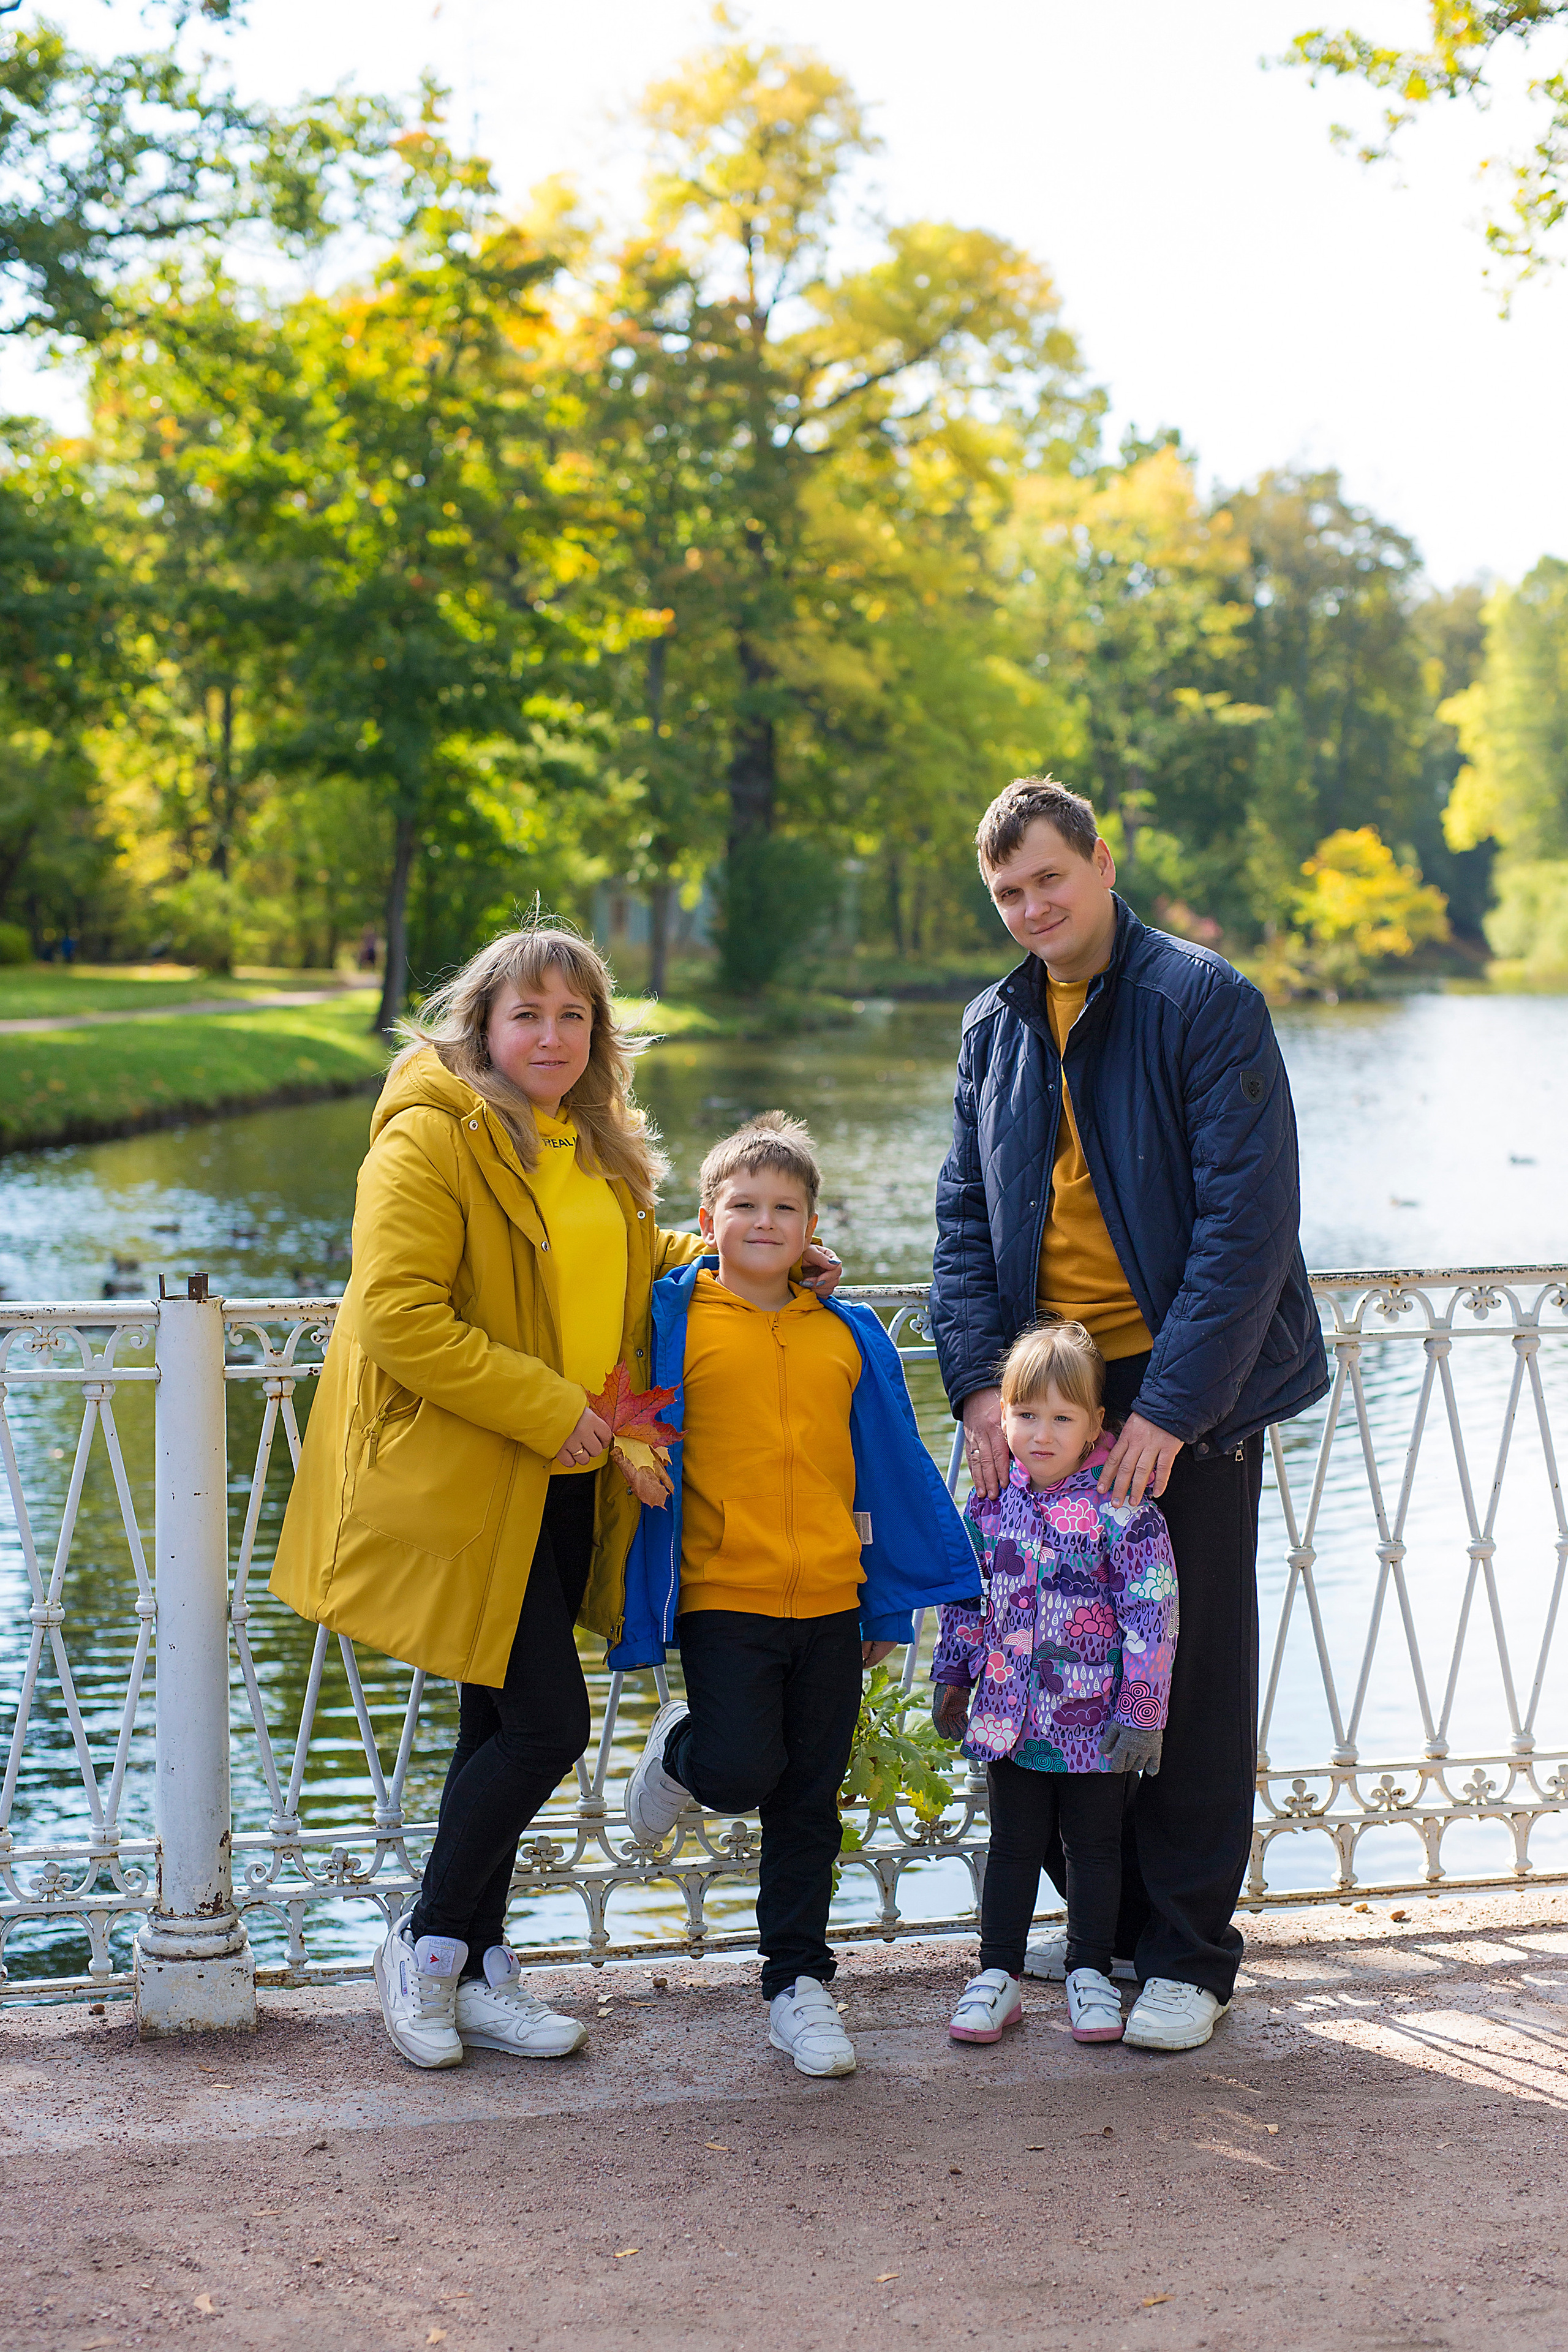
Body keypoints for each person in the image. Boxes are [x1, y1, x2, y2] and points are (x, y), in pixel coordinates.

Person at [270, 924, 843, 2070]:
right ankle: (427, 1944)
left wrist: (744, 1258)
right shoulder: (430, 1141)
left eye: (573, 1016)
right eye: (527, 1014)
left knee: (496, 1720)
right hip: (476, 1477)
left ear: (598, 1034)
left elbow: (625, 1262)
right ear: (482, 1022)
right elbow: (397, 1315)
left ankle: (481, 1968)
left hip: (573, 1483)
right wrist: (543, 1406)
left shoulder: (591, 1143)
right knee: (548, 1723)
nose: (551, 1035)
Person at [930, 777, 1328, 2052]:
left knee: (1184, 1672)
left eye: (1048, 879)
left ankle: (1190, 1961)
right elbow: (960, 1229)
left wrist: (1170, 1409)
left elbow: (1243, 1229)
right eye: (1006, 894)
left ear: (1102, 864)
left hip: (1177, 1395)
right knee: (1058, 1668)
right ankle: (1097, 1930)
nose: (1031, 908)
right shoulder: (990, 1029)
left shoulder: (1199, 1002)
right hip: (1048, 1407)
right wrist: (979, 1391)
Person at [617, 1113, 981, 2079]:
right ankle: (682, 1754)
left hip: (831, 1597)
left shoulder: (847, 1334)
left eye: (785, 1208)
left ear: (813, 1225)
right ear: (707, 1219)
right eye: (745, 1206)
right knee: (740, 1771)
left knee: (809, 1801)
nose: (764, 1222)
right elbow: (624, 1408)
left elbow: (886, 1476)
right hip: (724, 1591)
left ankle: (798, 1986)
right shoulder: (671, 1319)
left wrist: (886, 1610)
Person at [932, 1321, 1177, 2047]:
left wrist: (1141, 1711)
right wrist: (953, 1675)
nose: (1041, 1434)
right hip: (1008, 1712)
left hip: (1094, 1718)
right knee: (1010, 1843)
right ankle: (997, 1974)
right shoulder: (987, 1504)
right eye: (1026, 1415)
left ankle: (1091, 1971)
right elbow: (967, 1598)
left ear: (1095, 1424)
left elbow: (1153, 1610)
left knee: (1093, 1846)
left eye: (1062, 1418)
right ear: (1001, 1417)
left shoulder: (1120, 1509)